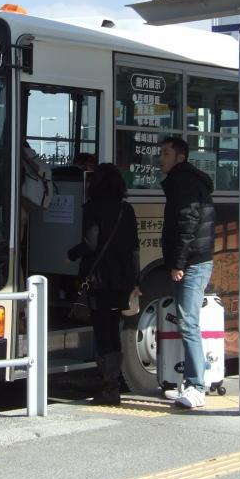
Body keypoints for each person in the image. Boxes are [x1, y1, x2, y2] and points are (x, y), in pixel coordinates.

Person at [67, 163, 139, 405]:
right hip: (121, 280)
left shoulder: (92, 207)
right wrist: (135, 280)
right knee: (113, 328)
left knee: (102, 331)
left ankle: (109, 387)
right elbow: (134, 248)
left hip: (99, 280)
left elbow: (90, 243)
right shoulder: (126, 209)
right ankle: (113, 383)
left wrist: (71, 254)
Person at [158, 135, 215, 410]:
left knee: (188, 323)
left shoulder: (183, 182)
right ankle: (194, 380)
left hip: (192, 263)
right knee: (187, 321)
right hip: (195, 260)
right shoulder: (187, 180)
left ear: (180, 157)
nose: (161, 158)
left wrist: (178, 263)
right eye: (160, 153)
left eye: (166, 153)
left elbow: (187, 224)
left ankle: (196, 387)